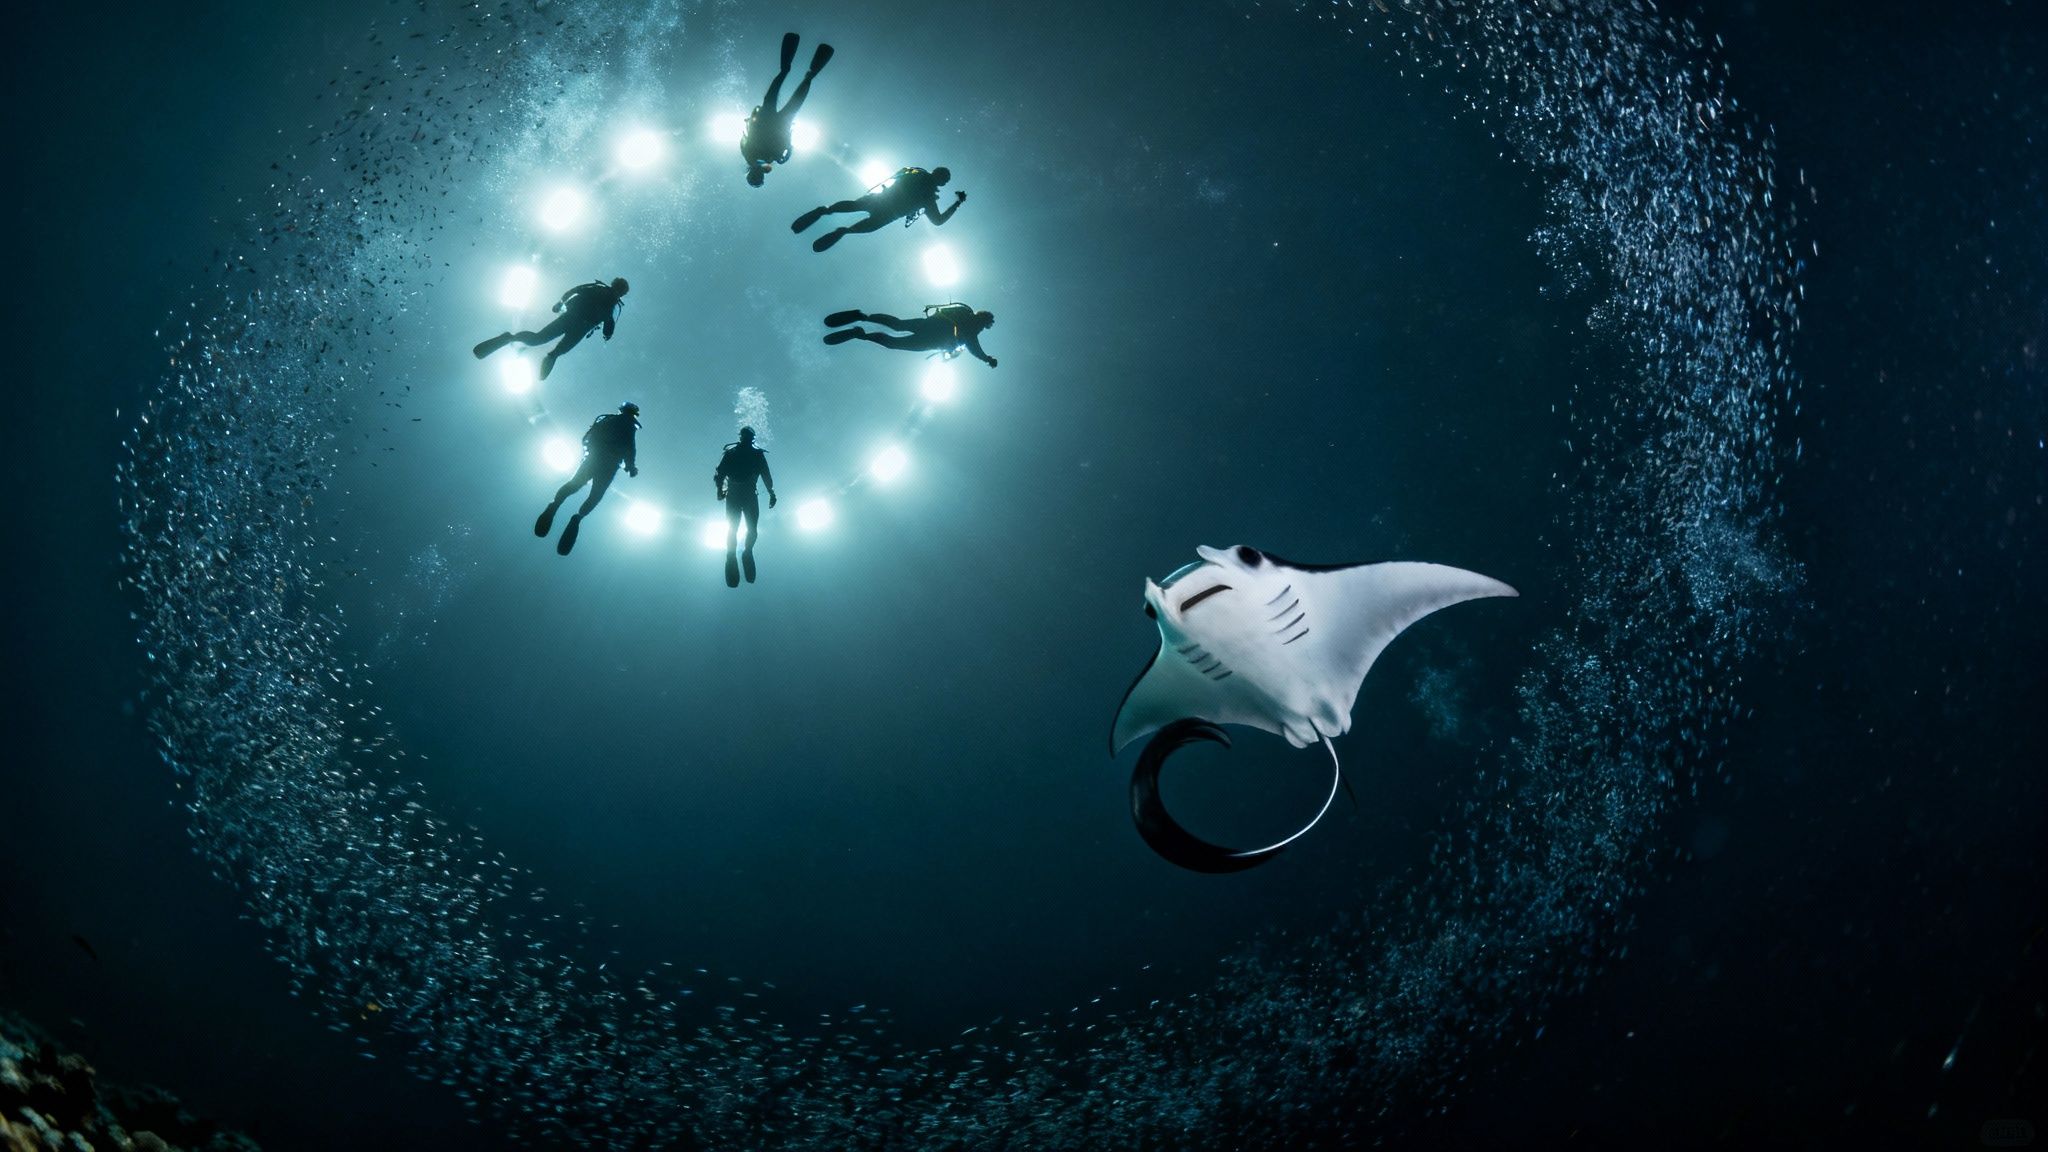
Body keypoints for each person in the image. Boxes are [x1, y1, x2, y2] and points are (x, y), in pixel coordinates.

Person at [473, 277, 630, 381]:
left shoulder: (611, 303)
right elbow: (576, 291)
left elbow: (608, 321)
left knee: (556, 349)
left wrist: (607, 333)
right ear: (616, 287)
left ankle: (544, 354)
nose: (617, 293)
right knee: (538, 340)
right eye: (619, 289)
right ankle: (510, 337)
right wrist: (560, 302)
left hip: (578, 326)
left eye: (620, 292)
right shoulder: (599, 291)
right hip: (572, 320)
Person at [535, 402, 640, 556]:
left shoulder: (607, 420)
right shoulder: (629, 426)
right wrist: (630, 467)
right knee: (595, 497)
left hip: (595, 459)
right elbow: (630, 448)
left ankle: (555, 506)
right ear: (633, 414)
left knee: (574, 486)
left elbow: (588, 437)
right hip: (608, 466)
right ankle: (577, 517)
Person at [790, 166, 965, 253]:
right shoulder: (928, 197)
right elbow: (938, 221)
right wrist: (957, 204)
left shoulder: (916, 172)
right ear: (941, 180)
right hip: (889, 213)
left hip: (881, 199)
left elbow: (897, 175)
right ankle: (843, 231)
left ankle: (826, 210)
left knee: (854, 205)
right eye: (945, 180)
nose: (944, 183)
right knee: (864, 224)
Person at [742, 33, 834, 187]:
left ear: (751, 173)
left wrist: (781, 156)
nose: (758, 174)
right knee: (791, 101)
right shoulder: (772, 159)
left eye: (755, 176)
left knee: (780, 99)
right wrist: (783, 156)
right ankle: (806, 74)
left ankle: (794, 71)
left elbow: (753, 146)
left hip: (768, 121)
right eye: (760, 178)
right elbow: (786, 147)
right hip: (776, 124)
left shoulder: (752, 157)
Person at [820, 303, 997, 367]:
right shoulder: (964, 312)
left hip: (928, 339)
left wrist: (986, 358)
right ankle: (863, 318)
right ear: (980, 317)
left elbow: (975, 349)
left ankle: (861, 333)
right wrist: (986, 358)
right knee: (897, 327)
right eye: (983, 323)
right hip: (930, 330)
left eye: (983, 326)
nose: (981, 327)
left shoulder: (971, 334)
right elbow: (943, 312)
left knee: (894, 340)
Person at [713, 426, 777, 587]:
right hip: (744, 496)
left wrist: (720, 490)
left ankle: (738, 553)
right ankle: (739, 553)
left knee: (743, 529)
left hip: (739, 495)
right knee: (741, 529)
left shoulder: (737, 454)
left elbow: (720, 474)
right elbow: (766, 476)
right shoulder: (750, 454)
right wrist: (771, 493)